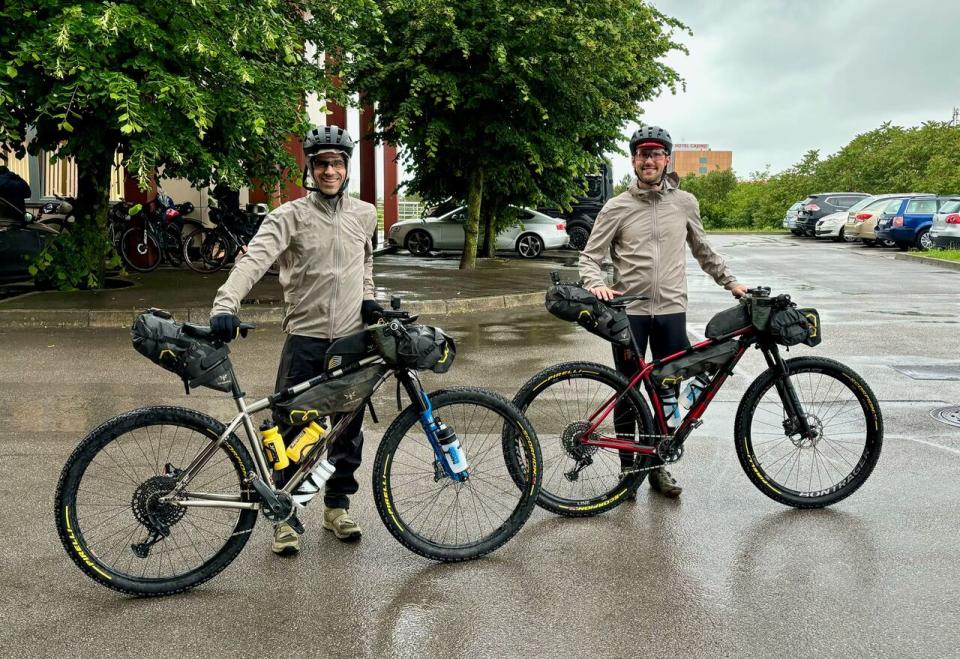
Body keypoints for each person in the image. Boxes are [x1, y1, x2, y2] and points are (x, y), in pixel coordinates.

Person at [208, 126, 383, 554]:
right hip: (304, 339)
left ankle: (336, 508)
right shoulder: (288, 216)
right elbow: (253, 262)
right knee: (291, 429)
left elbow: (365, 268)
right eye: (322, 163)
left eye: (337, 164)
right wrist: (225, 305)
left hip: (350, 341)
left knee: (347, 429)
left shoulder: (365, 214)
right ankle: (283, 518)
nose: (329, 171)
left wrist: (371, 301)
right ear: (311, 167)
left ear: (346, 169)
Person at [578, 125, 749, 498]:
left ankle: (657, 467)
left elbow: (704, 250)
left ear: (667, 159)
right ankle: (628, 473)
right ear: (634, 160)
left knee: (667, 391)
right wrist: (596, 284)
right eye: (642, 154)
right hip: (630, 314)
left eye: (656, 153)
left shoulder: (684, 202)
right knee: (626, 391)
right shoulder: (617, 206)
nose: (649, 160)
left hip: (671, 310)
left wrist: (732, 283)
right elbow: (590, 257)